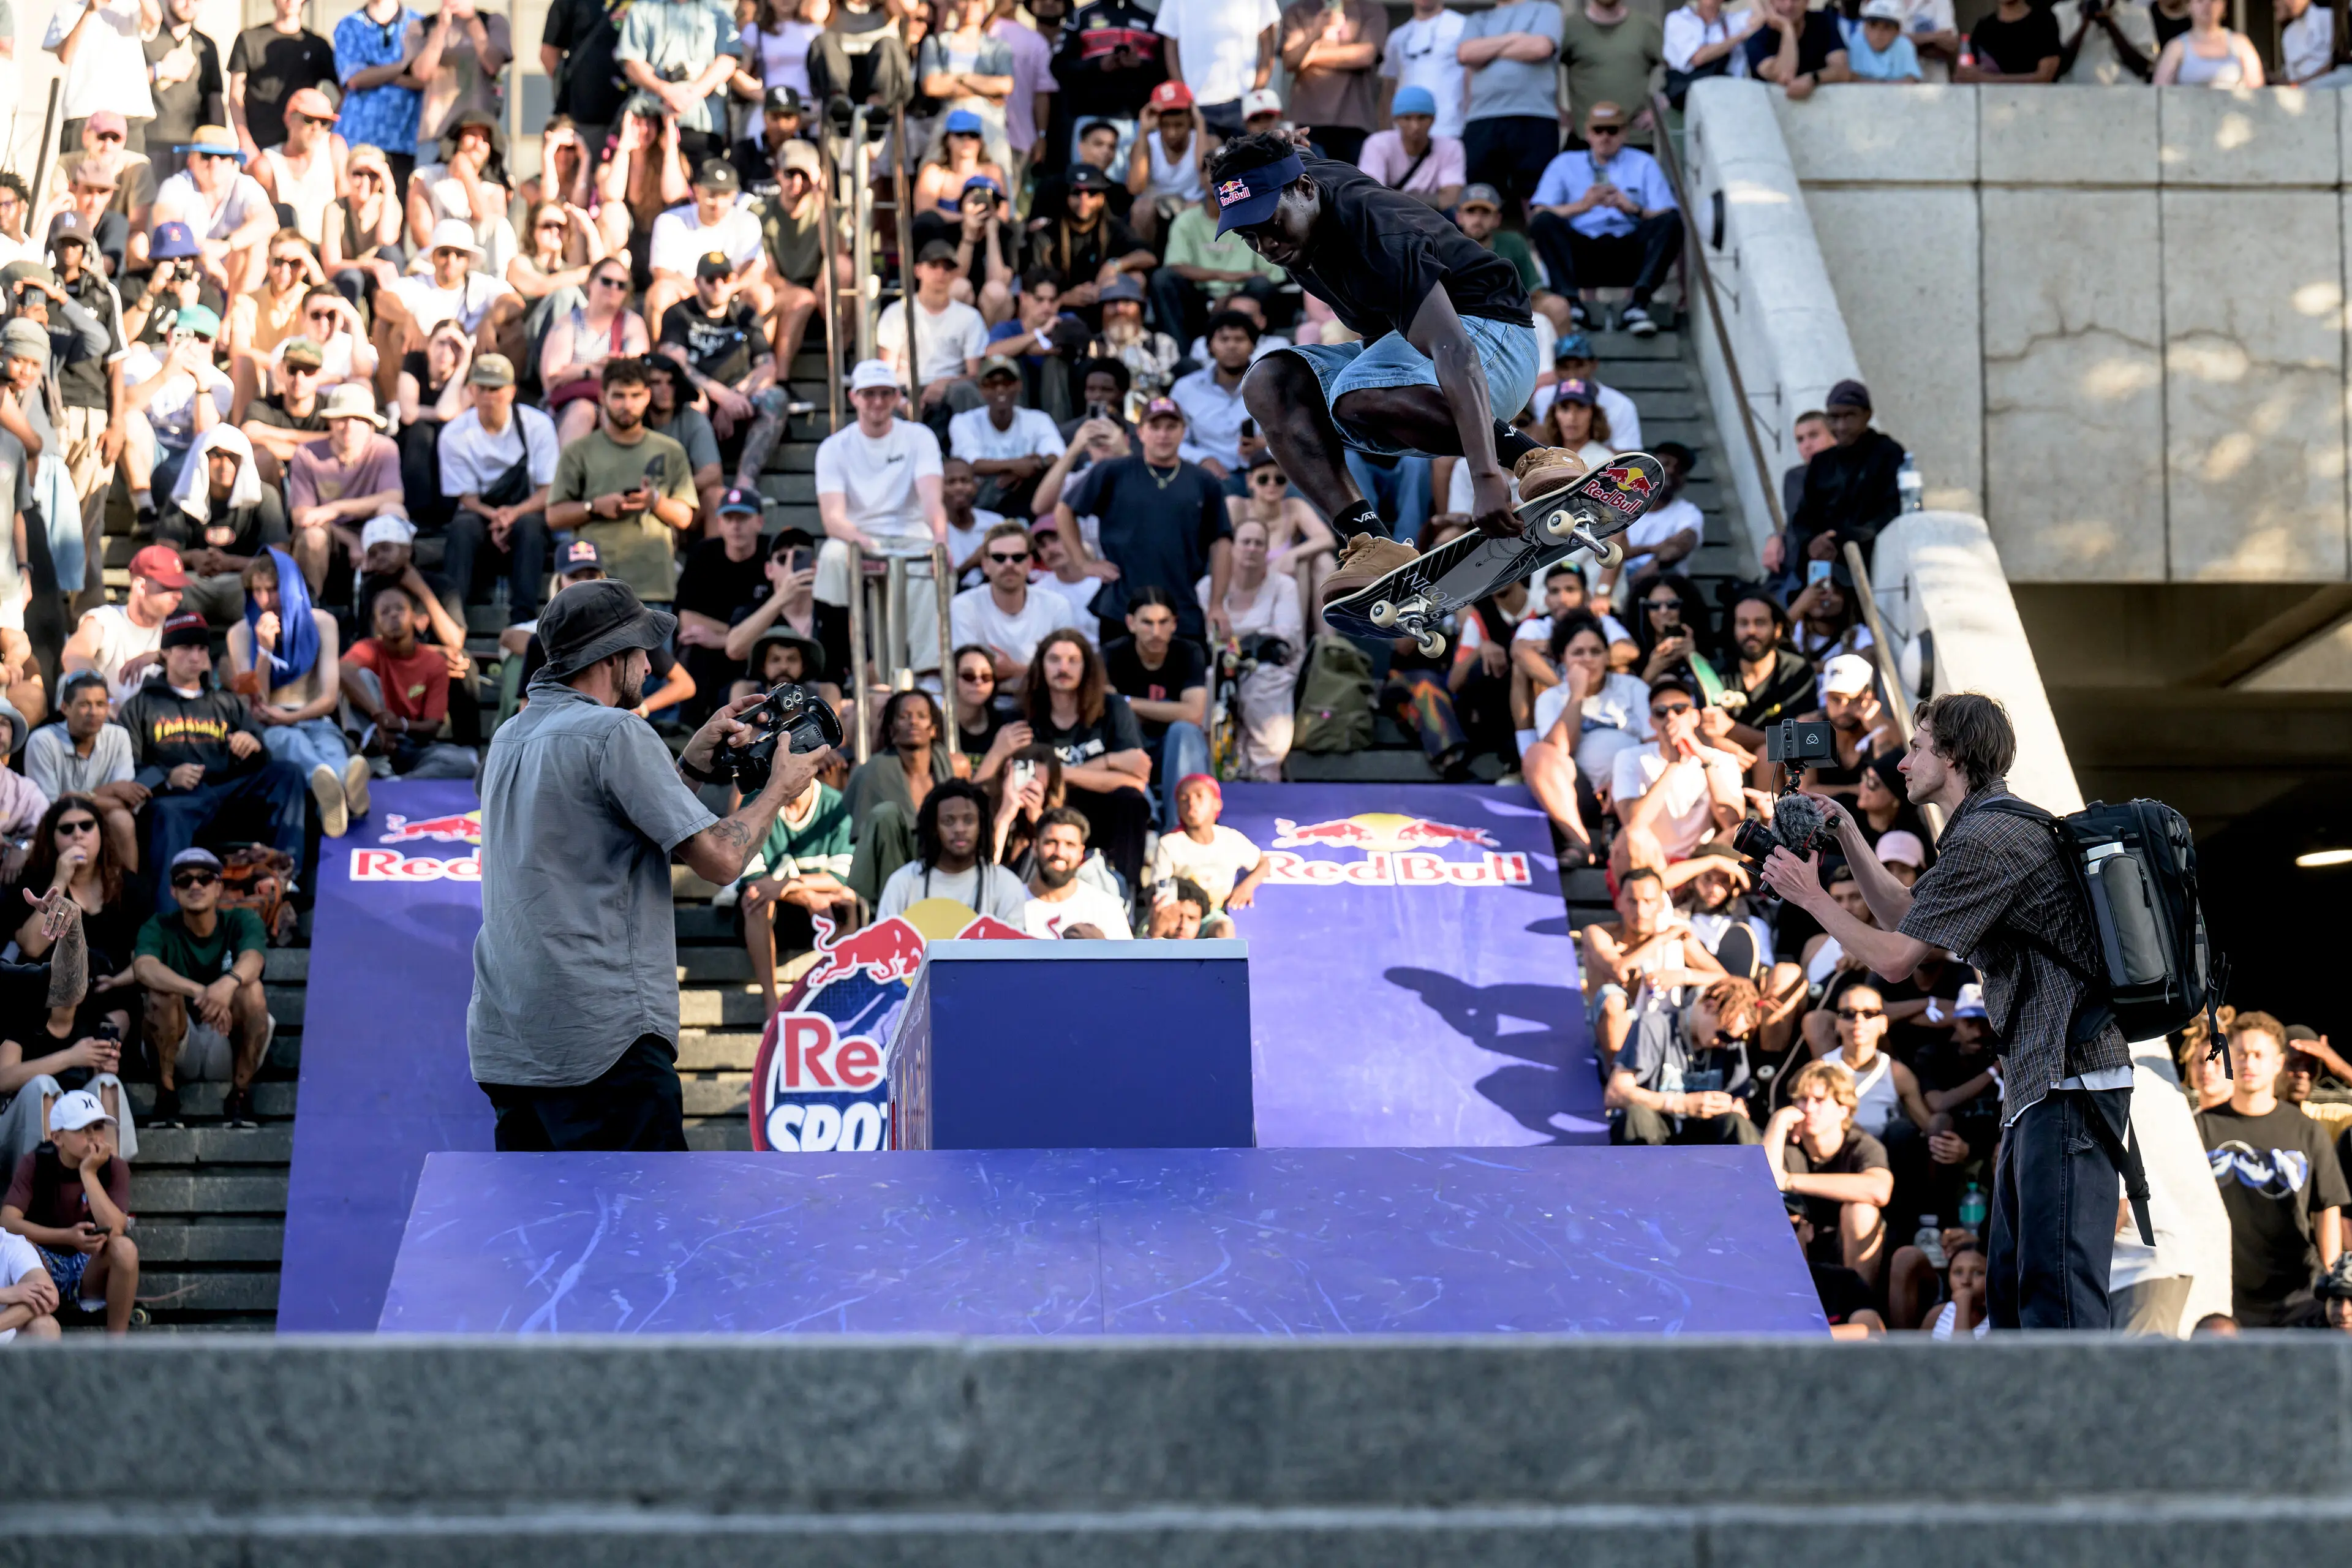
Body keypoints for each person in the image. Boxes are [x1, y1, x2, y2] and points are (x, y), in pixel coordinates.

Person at [1759, 692, 2137, 1330]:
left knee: (2058, 1300)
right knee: (2016, 1295)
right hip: (2039, 1087)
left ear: (1954, 754)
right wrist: (1847, 831)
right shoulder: (1980, 830)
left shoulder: (1992, 837)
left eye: (1916, 747)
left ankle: (2082, 1428)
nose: (1902, 764)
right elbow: (1910, 919)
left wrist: (1813, 897)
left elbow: (1896, 960)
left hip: (2069, 1084)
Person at [470, 579, 825, 1151]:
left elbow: (607, 831)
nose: (651, 664)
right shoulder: (616, 731)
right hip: (605, 1044)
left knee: (549, 1238)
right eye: (643, 651)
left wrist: (688, 763)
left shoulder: (512, 734)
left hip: (512, 1044)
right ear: (615, 657)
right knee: (644, 1236)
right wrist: (780, 789)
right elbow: (721, 860)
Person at [1205, 132, 1555, 617]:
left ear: (1306, 190)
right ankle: (1370, 539)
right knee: (1268, 383)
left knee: (1356, 392)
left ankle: (1534, 458)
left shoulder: (1379, 233)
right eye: (1251, 236)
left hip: (1491, 341)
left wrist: (1486, 475)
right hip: (1419, 353)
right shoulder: (1298, 184)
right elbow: (1294, 157)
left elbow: (1454, 350)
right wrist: (1290, 144)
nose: (1267, 245)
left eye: (1272, 225)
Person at [2198, 1012, 2348, 1327]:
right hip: (2221, 1298)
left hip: (2298, 1299)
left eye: (2258, 1055)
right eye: (2240, 1054)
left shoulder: (2308, 1131)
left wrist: (2333, 1279)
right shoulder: (2200, 1128)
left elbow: (2327, 1210)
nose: (2249, 1063)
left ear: (2278, 1063)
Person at [1049, 397, 1231, 644]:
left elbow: (1222, 542)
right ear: (1140, 432)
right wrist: (1083, 563)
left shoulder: (1204, 481)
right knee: (1117, 683)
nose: (1163, 435)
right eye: (1155, 427)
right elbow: (1064, 510)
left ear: (1183, 432)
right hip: (1121, 607)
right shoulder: (1112, 472)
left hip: (1182, 608)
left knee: (1190, 683)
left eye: (1171, 427)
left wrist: (1217, 604)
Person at [815, 360, 951, 677]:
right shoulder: (834, 448)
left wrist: (941, 543)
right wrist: (866, 544)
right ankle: (840, 661)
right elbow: (832, 519)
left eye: (885, 393)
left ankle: (927, 671)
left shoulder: (919, 437)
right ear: (855, 397)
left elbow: (932, 500)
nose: (877, 402)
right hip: (859, 538)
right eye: (870, 394)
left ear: (896, 397)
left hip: (911, 536)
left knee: (932, 567)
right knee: (832, 557)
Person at [133, 845, 272, 1128]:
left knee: (252, 990)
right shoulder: (158, 925)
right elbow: (144, 967)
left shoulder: (242, 919)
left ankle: (240, 1096)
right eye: (184, 880)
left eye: (205, 879)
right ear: (173, 891)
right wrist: (201, 992)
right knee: (160, 994)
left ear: (219, 888)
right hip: (179, 1042)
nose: (195, 885)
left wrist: (228, 984)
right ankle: (166, 1096)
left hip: (227, 1042)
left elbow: (254, 960)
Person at [547, 357, 700, 607]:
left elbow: (685, 517)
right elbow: (554, 516)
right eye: (618, 396)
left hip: (653, 587)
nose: (627, 405)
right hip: (594, 587)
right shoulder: (579, 451)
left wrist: (654, 501)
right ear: (602, 396)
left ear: (647, 396)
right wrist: (594, 507)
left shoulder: (671, 451)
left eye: (635, 395)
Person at [1527, 104, 1679, 339]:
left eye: (1612, 130)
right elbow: (1540, 211)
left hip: (1629, 249)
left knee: (1671, 222)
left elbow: (1665, 212)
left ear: (1624, 133)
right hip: (1581, 251)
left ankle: (1638, 306)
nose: (1605, 137)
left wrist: (1633, 209)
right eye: (1599, 130)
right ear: (1588, 133)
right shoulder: (1565, 163)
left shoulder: (1643, 162)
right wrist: (1583, 206)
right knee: (1543, 223)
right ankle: (1572, 305)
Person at [1023, 628, 1151, 889]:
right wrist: (1111, 764)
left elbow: (1137, 777)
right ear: (1041, 666)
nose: (1063, 668)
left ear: (1087, 668)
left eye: (1073, 660)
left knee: (1132, 800)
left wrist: (1062, 773)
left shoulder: (1113, 707)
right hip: (1051, 806)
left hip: (1104, 807)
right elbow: (1035, 778)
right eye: (1054, 659)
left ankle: (1127, 890)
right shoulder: (1027, 713)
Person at [0, 1088, 134, 1335]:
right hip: (44, 1259)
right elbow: (8, 1222)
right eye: (83, 1130)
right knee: (23, 1246)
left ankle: (117, 1345)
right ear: (58, 1138)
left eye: (98, 1128)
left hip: (90, 1264)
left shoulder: (114, 1167)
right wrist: (67, 1236)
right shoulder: (37, 1161)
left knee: (125, 1249)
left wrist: (89, 1173)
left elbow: (117, 1229)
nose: (94, 1138)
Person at [437, 351, 554, 617]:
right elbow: (466, 497)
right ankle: (453, 620)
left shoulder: (538, 425)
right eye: (482, 389)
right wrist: (496, 517)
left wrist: (513, 514)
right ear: (471, 391)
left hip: (526, 511)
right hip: (481, 514)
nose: (489, 397)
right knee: (462, 526)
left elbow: (548, 489)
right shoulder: (454, 434)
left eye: (496, 389)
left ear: (511, 391)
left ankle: (523, 619)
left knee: (531, 527)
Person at [1766, 1058, 1894, 1286]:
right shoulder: (1785, 1146)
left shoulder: (1861, 1145)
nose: (1809, 1108)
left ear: (1843, 1109)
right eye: (1802, 1100)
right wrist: (1779, 1120)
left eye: (1819, 1100)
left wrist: (1790, 1181)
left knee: (1861, 1211)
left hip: (1848, 1247)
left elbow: (1879, 1190)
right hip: (1799, 1248)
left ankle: (1857, 1305)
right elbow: (1760, 1185)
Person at [1197, 514, 1300, 780]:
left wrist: (1238, 642)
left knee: (1265, 682)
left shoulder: (1283, 586)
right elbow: (1206, 639)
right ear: (1233, 547)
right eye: (1246, 542)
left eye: (1259, 543)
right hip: (1221, 669)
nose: (1252, 548)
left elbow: (1285, 636)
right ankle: (1220, 770)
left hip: (1271, 667)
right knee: (1213, 680)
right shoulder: (1208, 588)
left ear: (1267, 551)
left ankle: (1266, 771)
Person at [342, 585, 480, 779]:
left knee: (464, 762)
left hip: (411, 744)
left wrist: (400, 726)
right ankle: (374, 763)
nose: (394, 616)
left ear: (415, 616)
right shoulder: (366, 648)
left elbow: (432, 725)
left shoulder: (434, 662)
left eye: (400, 609)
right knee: (361, 676)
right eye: (385, 612)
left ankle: (398, 782)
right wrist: (379, 716)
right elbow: (343, 672)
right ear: (376, 625)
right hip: (372, 741)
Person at [1607, 976, 1764, 1145]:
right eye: (1723, 1035)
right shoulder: (1654, 1026)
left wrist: (1738, 1107)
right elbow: (1615, 1093)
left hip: (1702, 1136)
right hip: (1657, 1130)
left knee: (1736, 1124)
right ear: (1709, 1007)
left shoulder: (1731, 1045)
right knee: (1638, 1116)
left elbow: (1738, 1099)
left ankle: (1763, 1172)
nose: (1727, 1044)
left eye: (1736, 1040)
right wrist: (1680, 1104)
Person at [1102, 587, 1207, 825]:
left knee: (1185, 731)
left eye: (1163, 622)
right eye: (1147, 623)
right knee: (1119, 725)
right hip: (1131, 744)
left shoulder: (1189, 652)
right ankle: (1146, 823)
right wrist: (1166, 711)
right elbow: (1107, 711)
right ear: (1131, 623)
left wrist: (1127, 703)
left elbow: (1194, 713)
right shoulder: (1113, 654)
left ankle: (1182, 826)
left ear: (1175, 624)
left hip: (1173, 747)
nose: (1156, 632)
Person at [1457, 0, 1565, 217]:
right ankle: (1485, 251)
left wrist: (1488, 49)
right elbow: (1466, 54)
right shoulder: (1478, 19)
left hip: (1535, 114)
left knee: (1537, 195)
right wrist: (1514, 38)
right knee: (1481, 196)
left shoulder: (1546, 10)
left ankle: (1535, 250)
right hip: (1482, 118)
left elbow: (1540, 48)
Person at [24, 676, 143, 870]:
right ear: (65, 708)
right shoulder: (43, 741)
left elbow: (127, 801)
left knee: (122, 819)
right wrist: (110, 791)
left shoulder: (119, 736)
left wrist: (80, 796)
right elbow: (51, 807)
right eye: (84, 704)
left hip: (102, 819)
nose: (94, 712)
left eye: (101, 704)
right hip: (57, 824)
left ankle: (128, 892)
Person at [951, 519, 1082, 690]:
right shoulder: (963, 605)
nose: (1009, 564)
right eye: (999, 558)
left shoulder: (1057, 605)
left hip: (1044, 701)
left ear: (1029, 564)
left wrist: (1016, 670)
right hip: (985, 702)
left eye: (1018, 558)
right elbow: (967, 672)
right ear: (985, 565)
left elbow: (1068, 671)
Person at [541, 256, 653, 446]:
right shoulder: (569, 322)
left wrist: (576, 370)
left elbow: (634, 371)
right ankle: (566, 474)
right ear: (590, 283)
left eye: (621, 285)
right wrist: (593, 369)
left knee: (617, 413)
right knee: (583, 412)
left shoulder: (632, 323)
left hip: (615, 403)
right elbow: (552, 377)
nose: (614, 288)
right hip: (568, 407)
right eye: (607, 281)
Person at [950, 356, 1065, 517]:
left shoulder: (1038, 419)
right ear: (982, 389)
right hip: (983, 504)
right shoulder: (964, 422)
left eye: (1007, 383)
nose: (1000, 389)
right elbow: (971, 465)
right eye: (992, 384)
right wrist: (1019, 465)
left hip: (1026, 500)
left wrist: (1033, 466)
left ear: (1019, 386)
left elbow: (1058, 458)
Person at [1275, 0, 1385, 166]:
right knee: (1310, 187)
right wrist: (1316, 31)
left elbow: (1366, 56)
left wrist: (1308, 57)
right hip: (1306, 122)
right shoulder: (1298, 10)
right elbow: (1290, 61)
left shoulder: (1372, 9)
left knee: (1352, 187)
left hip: (1355, 121)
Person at [1022, 806, 1134, 937]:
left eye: (1070, 844)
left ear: (1081, 853)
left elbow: (1125, 957)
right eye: (1051, 842)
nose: (1060, 853)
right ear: (1035, 847)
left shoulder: (1106, 907)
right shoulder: (1009, 904)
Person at [2150, 0, 2262, 83]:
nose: (2207, 5)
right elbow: (2160, 94)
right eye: (2200, 1)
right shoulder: (2176, 47)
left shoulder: (2241, 44)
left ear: (2224, 5)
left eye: (2214, 0)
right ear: (2189, 5)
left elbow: (2257, 90)